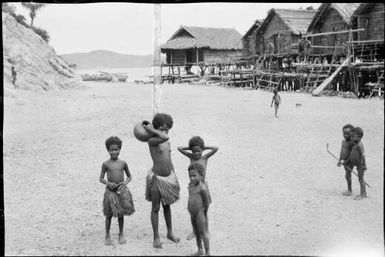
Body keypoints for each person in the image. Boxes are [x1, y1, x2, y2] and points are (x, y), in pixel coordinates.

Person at [143, 113, 180, 248]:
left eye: (167, 129)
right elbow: (164, 136)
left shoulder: (166, 141)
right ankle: (156, 237)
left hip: (168, 178)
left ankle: (170, 233)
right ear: (155, 128)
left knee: (167, 206)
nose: (165, 132)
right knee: (156, 207)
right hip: (156, 179)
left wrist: (174, 176)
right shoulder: (153, 141)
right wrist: (152, 130)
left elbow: (169, 160)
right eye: (161, 129)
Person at [177, 136, 218, 240]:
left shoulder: (205, 157)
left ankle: (206, 230)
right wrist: (190, 148)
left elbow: (215, 148)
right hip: (193, 188)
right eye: (194, 151)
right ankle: (195, 231)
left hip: (203, 187)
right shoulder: (190, 156)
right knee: (194, 211)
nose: (196, 154)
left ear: (202, 150)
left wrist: (204, 147)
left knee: (204, 211)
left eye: (199, 151)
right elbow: (179, 148)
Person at [99, 136, 135, 246]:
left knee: (120, 215)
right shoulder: (105, 164)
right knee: (108, 215)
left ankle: (121, 234)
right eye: (111, 150)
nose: (114, 152)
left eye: (116, 149)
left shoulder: (123, 163)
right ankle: (107, 235)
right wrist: (108, 183)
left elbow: (129, 177)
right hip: (110, 193)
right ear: (108, 150)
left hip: (121, 192)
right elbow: (101, 178)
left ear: (120, 149)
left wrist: (125, 183)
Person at [187, 163, 210, 256]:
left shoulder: (202, 188)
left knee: (203, 233)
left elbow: (207, 202)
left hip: (199, 213)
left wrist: (204, 212)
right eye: (190, 176)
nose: (192, 178)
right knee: (196, 232)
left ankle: (208, 252)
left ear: (201, 175)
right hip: (192, 214)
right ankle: (200, 250)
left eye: (194, 175)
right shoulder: (191, 185)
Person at [343, 127, 367, 200]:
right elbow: (352, 154)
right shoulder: (354, 143)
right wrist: (347, 161)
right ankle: (349, 190)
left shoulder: (360, 144)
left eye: (353, 137)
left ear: (359, 137)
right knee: (347, 174)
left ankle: (363, 194)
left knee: (360, 179)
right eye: (351, 136)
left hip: (360, 164)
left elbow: (363, 155)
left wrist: (364, 165)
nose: (352, 138)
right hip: (352, 162)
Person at [337, 124, 355, 196]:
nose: (346, 135)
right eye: (344, 133)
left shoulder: (352, 143)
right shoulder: (343, 141)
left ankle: (350, 190)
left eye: (348, 133)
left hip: (350, 162)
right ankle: (349, 189)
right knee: (348, 175)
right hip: (344, 161)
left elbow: (352, 154)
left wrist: (347, 161)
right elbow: (342, 151)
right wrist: (340, 160)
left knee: (347, 175)